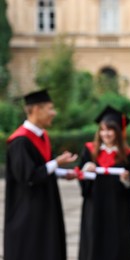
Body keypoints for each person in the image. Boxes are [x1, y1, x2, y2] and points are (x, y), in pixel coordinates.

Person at [4, 89, 78, 260]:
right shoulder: (20, 141)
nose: (54, 113)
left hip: (45, 206)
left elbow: (44, 169)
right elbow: (28, 176)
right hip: (27, 210)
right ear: (37, 109)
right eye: (50, 109)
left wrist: (64, 173)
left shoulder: (42, 136)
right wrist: (57, 163)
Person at [78, 105, 130, 260]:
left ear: (118, 132)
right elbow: (82, 180)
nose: (106, 134)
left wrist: (126, 180)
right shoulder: (90, 151)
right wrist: (86, 170)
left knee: (116, 244)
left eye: (110, 130)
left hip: (118, 209)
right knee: (93, 242)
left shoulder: (129, 155)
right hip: (94, 207)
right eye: (102, 130)